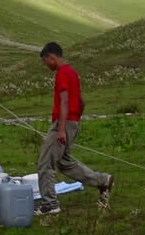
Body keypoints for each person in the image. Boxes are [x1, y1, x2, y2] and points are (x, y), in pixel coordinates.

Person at [35, 42, 114, 214]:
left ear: (51, 57)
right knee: (65, 163)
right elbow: (81, 102)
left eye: (45, 61)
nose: (46, 65)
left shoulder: (62, 73)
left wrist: (61, 129)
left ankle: (50, 204)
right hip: (72, 122)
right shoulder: (72, 73)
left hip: (62, 124)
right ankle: (103, 181)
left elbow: (64, 101)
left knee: (46, 163)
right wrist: (74, 122)